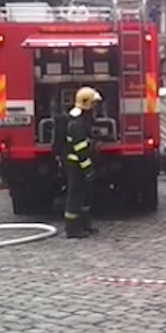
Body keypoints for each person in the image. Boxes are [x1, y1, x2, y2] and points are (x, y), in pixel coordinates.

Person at [63, 87, 102, 239]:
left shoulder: (82, 120)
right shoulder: (77, 124)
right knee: (75, 196)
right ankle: (72, 229)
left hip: (79, 163)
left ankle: (84, 225)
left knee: (84, 195)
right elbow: (80, 148)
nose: (95, 107)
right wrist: (88, 169)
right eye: (94, 104)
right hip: (76, 165)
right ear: (87, 104)